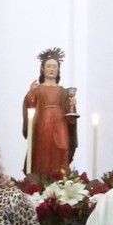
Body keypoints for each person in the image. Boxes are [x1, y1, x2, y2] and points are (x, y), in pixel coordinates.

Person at [22, 47, 78, 179]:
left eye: (55, 66)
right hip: (44, 125)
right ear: (42, 69)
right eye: (49, 66)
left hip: (61, 125)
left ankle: (60, 181)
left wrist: (72, 106)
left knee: (62, 149)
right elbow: (30, 108)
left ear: (58, 69)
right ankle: (41, 182)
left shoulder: (64, 91)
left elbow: (71, 116)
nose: (52, 69)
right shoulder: (37, 89)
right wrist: (31, 94)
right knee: (44, 151)